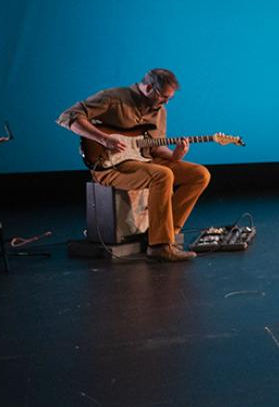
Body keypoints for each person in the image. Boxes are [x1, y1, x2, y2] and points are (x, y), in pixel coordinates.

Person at [58, 68, 211, 262]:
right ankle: (159, 247)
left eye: (169, 99)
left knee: (200, 174)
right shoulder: (113, 98)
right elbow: (68, 117)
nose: (166, 102)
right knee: (162, 175)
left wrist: (175, 155)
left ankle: (166, 233)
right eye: (164, 97)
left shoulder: (160, 111)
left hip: (143, 160)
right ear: (149, 88)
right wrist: (104, 139)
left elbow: (154, 148)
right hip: (110, 165)